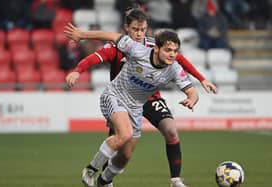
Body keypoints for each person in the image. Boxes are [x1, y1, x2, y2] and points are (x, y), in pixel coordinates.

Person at [65, 9, 217, 187]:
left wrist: (194, 94)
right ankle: (90, 170)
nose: (139, 33)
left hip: (141, 103)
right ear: (127, 28)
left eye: (142, 29)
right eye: (135, 29)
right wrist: (81, 39)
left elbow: (189, 84)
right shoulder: (134, 48)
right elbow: (107, 39)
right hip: (116, 96)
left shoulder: (170, 61)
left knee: (126, 155)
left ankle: (104, 181)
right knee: (123, 135)